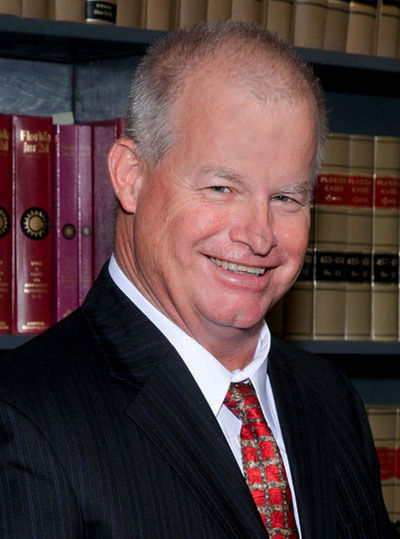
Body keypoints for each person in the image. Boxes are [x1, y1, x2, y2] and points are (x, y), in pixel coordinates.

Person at [0, 20, 393, 539]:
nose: (259, 236)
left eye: (286, 198)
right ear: (130, 176)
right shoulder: (24, 417)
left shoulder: (331, 402)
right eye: (220, 187)